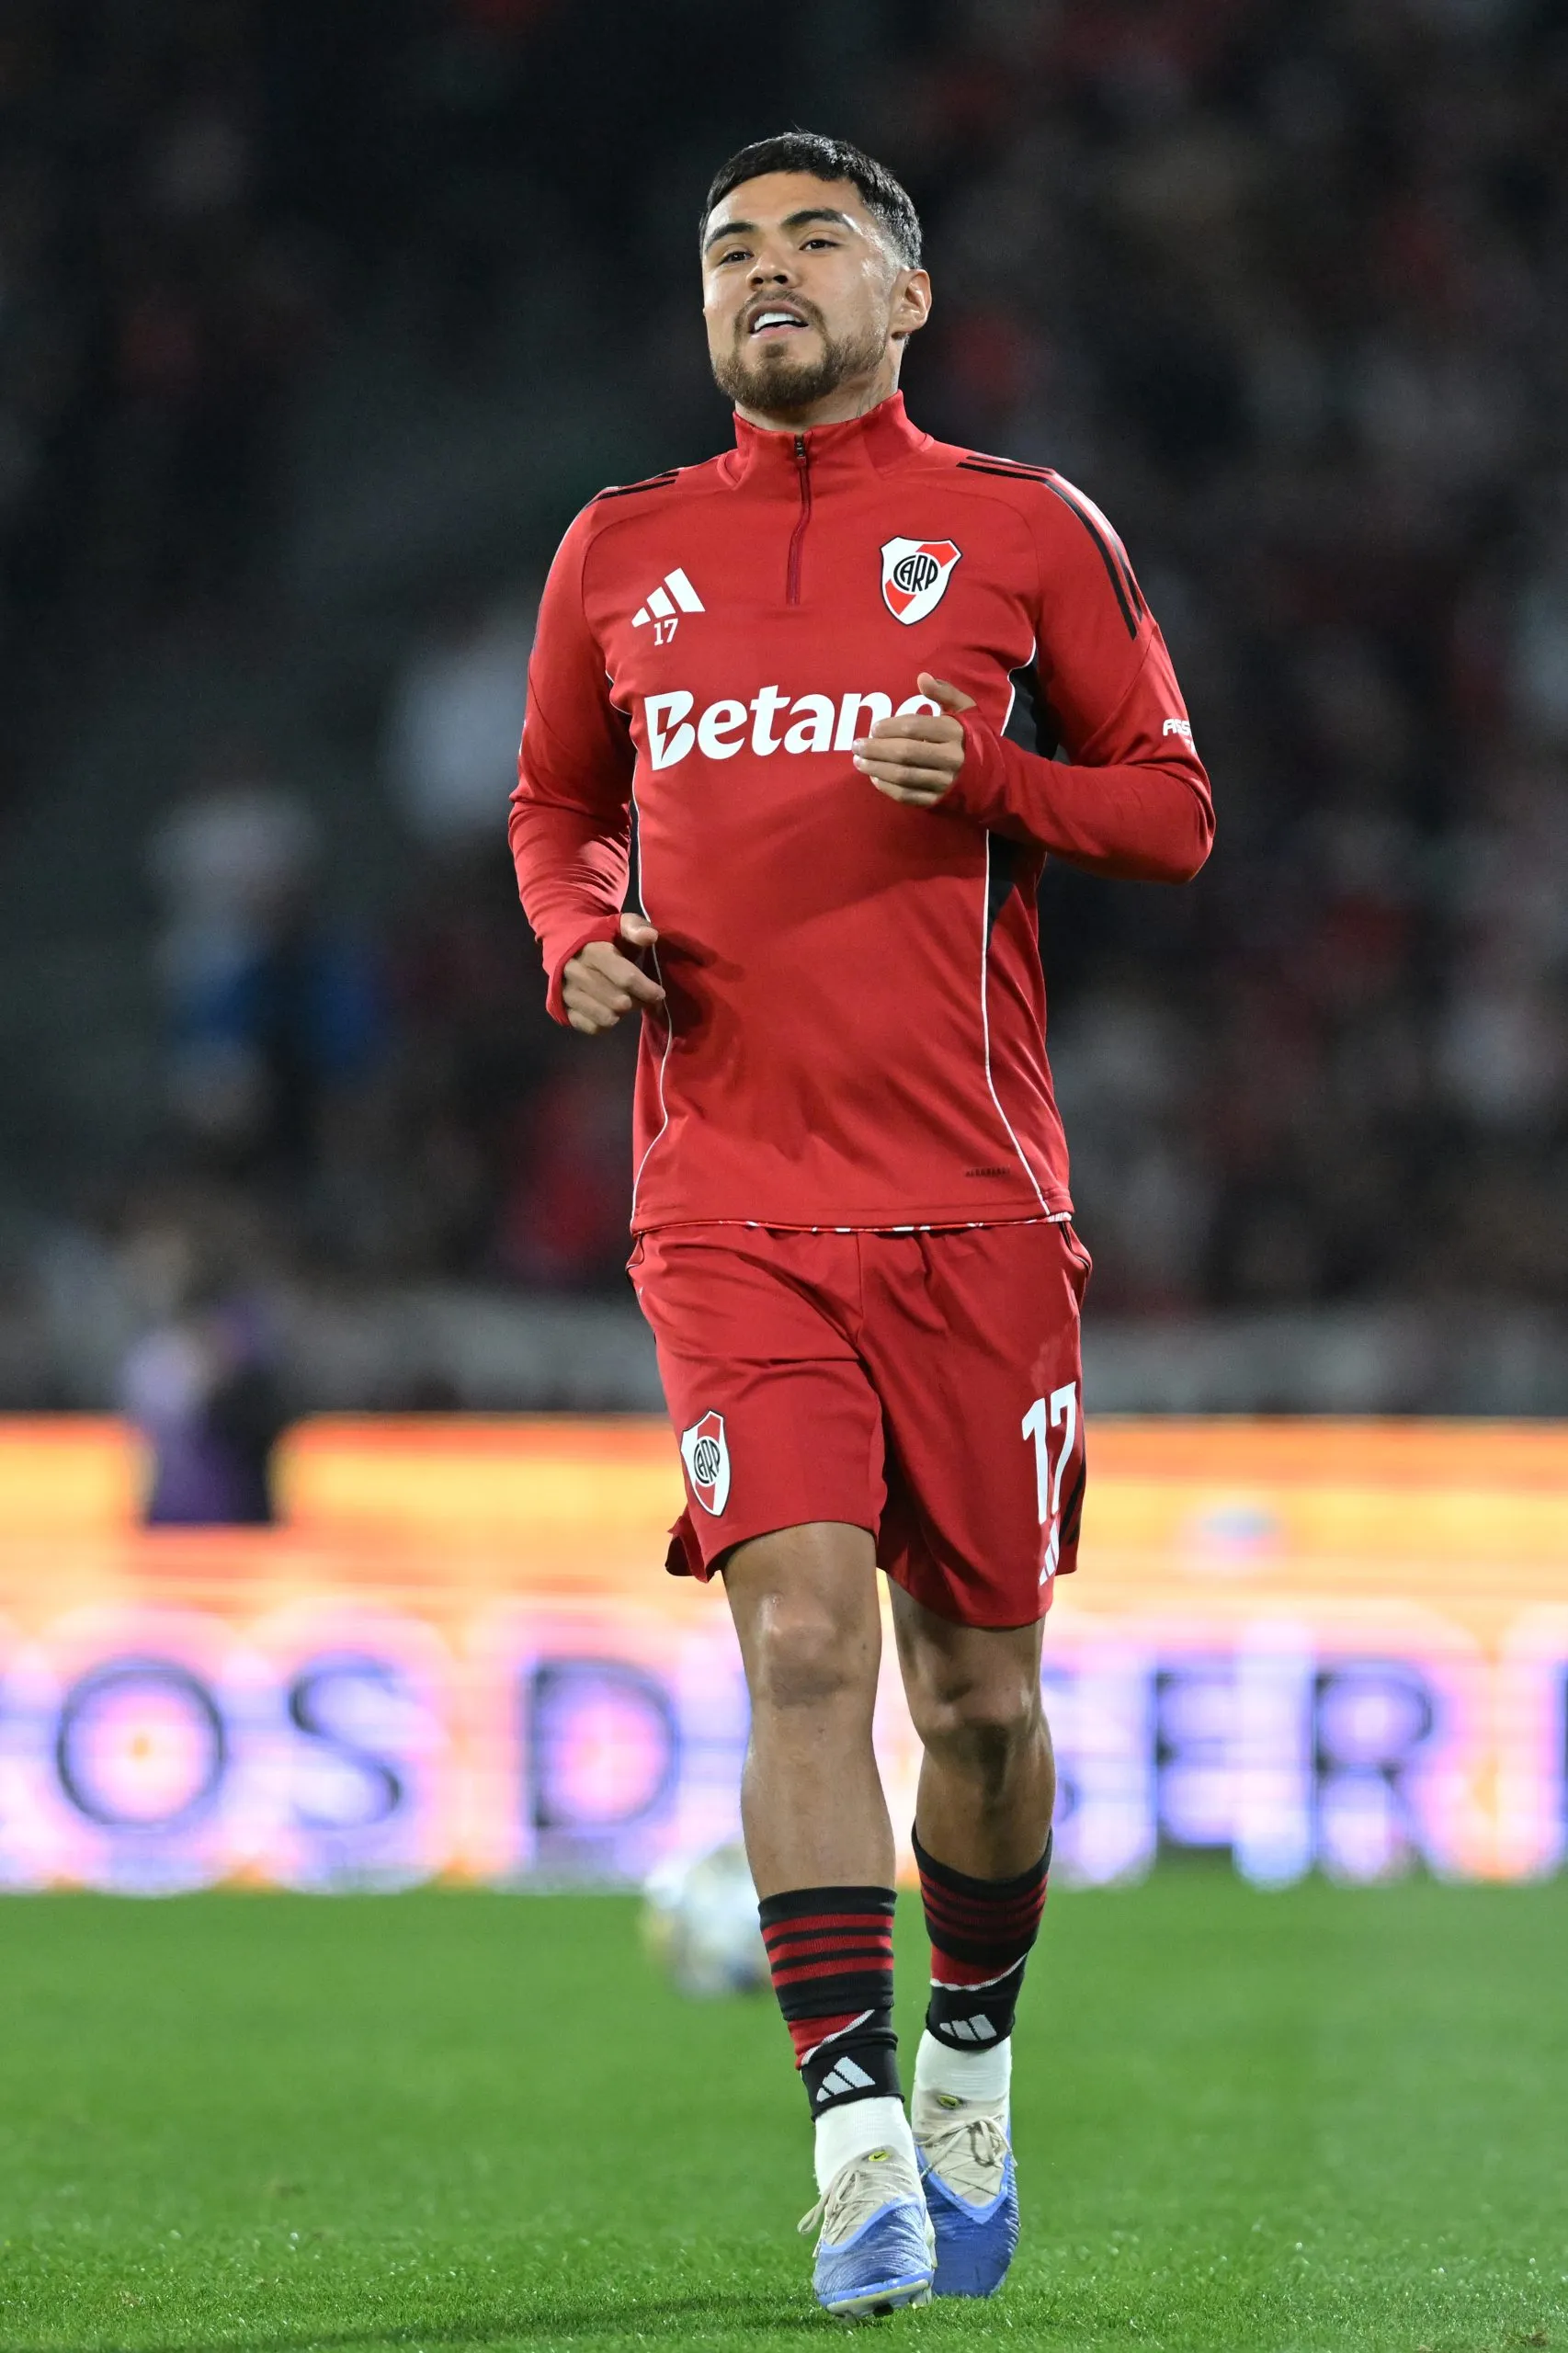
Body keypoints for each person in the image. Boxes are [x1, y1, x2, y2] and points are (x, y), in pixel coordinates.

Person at [510, 131, 1213, 2317]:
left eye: (817, 240)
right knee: (798, 1642)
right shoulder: (621, 552)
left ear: (908, 299)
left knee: (980, 1702)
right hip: (722, 1207)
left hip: (975, 1211)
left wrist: (989, 776)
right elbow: (555, 800)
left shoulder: (1018, 531)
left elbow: (1172, 812)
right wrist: (572, 930)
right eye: (728, 248)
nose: (765, 271)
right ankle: (850, 2125)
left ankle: (976, 2051)